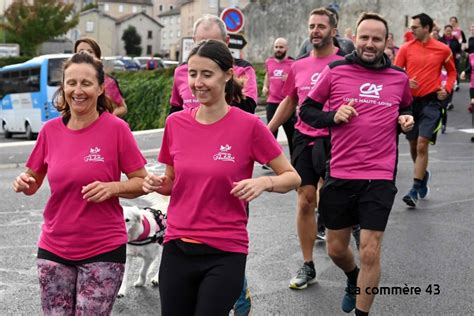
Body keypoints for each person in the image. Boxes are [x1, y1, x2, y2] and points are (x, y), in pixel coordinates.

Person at [143, 39, 301, 316]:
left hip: (225, 250)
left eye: (207, 74)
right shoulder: (176, 123)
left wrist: (264, 182)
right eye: (193, 74)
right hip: (177, 246)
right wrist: (156, 183)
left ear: (227, 75)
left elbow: (292, 177)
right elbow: (171, 181)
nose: (198, 82)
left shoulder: (249, 126)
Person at [12, 53, 148, 315]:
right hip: (54, 246)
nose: (77, 90)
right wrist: (23, 182)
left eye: (86, 83)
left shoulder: (117, 129)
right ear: (63, 86)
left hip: (104, 249)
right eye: (71, 82)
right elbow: (32, 182)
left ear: (100, 88)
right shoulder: (50, 131)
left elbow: (142, 182)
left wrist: (113, 187)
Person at [299, 12, 414, 315]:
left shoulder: (399, 78)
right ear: (355, 37)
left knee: (370, 251)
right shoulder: (336, 70)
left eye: (377, 39)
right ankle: (352, 277)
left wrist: (406, 120)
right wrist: (331, 117)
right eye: (364, 37)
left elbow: (406, 110)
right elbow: (307, 111)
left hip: (379, 175)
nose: (369, 44)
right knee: (337, 249)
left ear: (386, 42)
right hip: (340, 172)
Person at [268, 7, 349, 290]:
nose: (315, 31)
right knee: (304, 199)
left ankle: (340, 243)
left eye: (321, 26)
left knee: (330, 199)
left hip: (336, 138)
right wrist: (267, 131)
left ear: (333, 31)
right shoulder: (298, 66)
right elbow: (289, 101)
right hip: (304, 137)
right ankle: (308, 265)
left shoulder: (344, 64)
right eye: (312, 26)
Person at [394, 13, 456, 208]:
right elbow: (395, 73)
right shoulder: (405, 49)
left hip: (431, 103)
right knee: (413, 146)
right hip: (411, 103)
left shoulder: (443, 49)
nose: (411, 30)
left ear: (427, 28)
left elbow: (452, 72)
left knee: (422, 145)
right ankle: (423, 175)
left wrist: (446, 89)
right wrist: (405, 81)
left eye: (415, 27)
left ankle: (414, 189)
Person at [169, 14, 257, 114]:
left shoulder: (243, 69)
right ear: (194, 41)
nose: (207, 50)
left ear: (227, 41)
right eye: (201, 43)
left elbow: (248, 110)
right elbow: (175, 108)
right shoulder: (181, 70)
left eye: (214, 44)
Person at [74, 37, 128, 117]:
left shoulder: (108, 82)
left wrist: (105, 118)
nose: (85, 54)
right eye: (81, 52)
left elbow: (123, 108)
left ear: (98, 57)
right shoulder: (70, 82)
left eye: (90, 51)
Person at [262, 37, 295, 154]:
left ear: (287, 48)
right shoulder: (269, 62)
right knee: (270, 134)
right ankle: (269, 159)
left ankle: (293, 158)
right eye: (276, 47)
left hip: (287, 104)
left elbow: (298, 82)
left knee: (291, 133)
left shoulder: (293, 63)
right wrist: (265, 86)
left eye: (281, 47)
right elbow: (268, 75)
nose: (278, 49)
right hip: (272, 103)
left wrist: (290, 79)